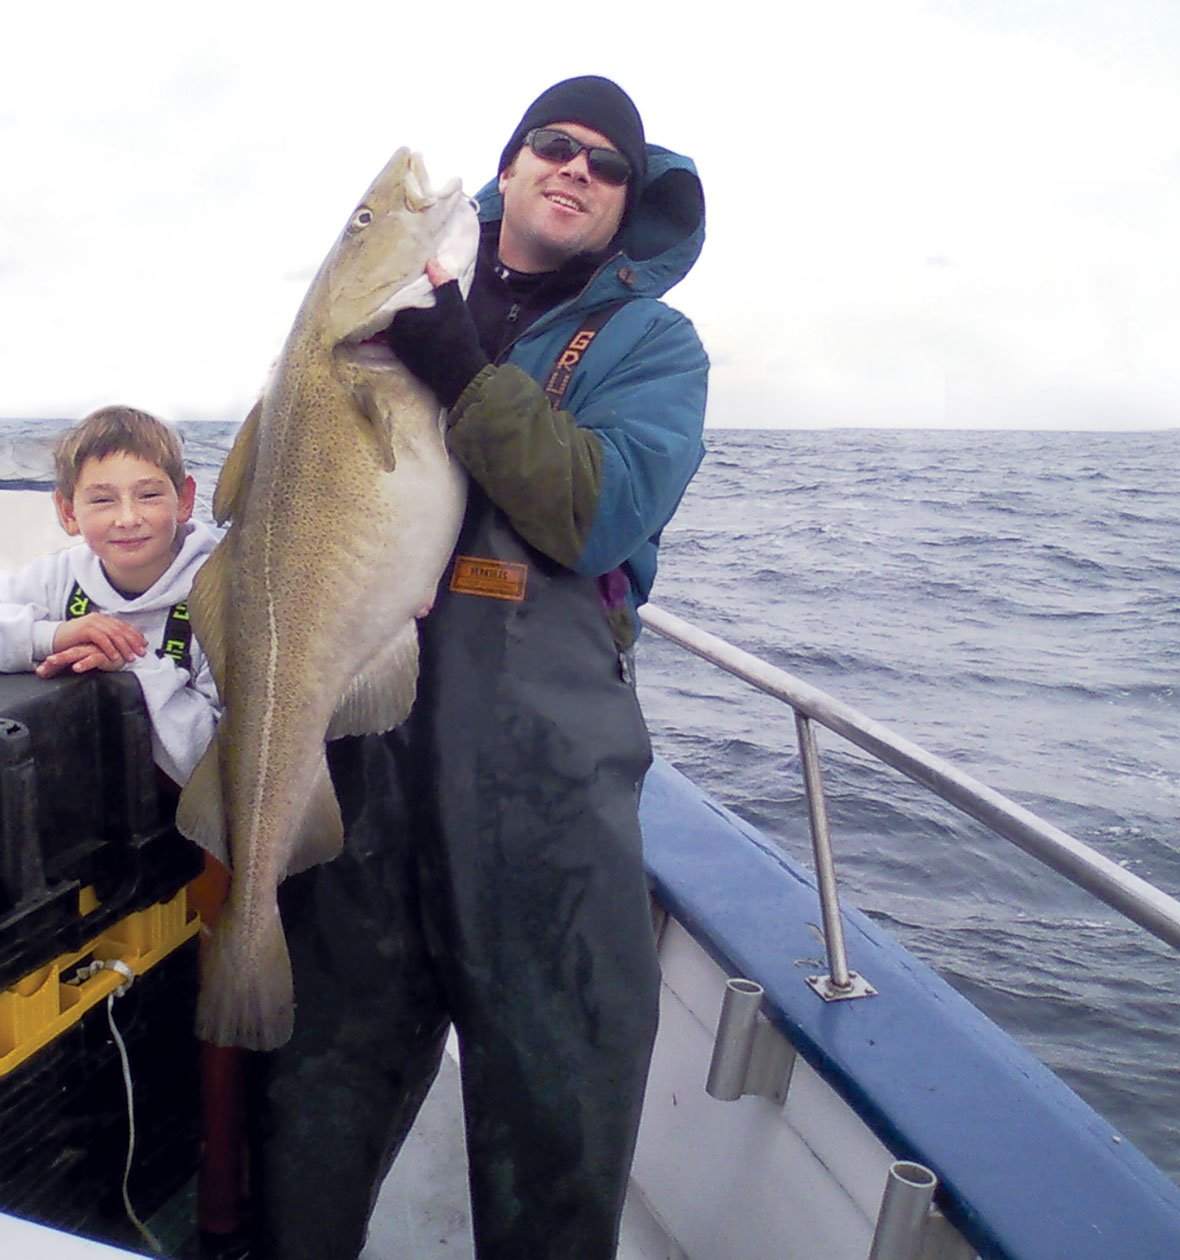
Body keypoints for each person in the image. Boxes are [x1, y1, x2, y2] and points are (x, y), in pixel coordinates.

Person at [249, 75, 708, 1260]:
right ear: (508, 165)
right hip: (370, 770)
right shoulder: (374, 324)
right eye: (553, 144)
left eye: (608, 166)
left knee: (557, 1119)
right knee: (317, 1105)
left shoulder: (651, 347)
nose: (576, 170)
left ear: (625, 205)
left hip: (541, 796)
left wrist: (459, 367)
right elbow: (282, 507)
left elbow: (594, 514)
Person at [0, 405, 220, 787]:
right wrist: (53, 636)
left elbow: (220, 765)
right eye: (102, 500)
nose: (127, 518)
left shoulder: (226, 597)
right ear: (68, 512)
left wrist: (131, 665)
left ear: (184, 500)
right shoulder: (58, 576)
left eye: (149, 494)